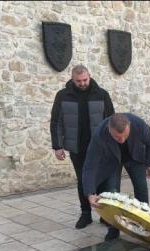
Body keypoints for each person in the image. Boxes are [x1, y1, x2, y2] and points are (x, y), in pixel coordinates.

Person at [50, 64, 115, 230]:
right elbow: (56, 122)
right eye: (78, 80)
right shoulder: (63, 96)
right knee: (82, 181)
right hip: (76, 147)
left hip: (99, 146)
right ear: (72, 79)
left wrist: (111, 144)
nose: (82, 83)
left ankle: (104, 215)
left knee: (100, 179)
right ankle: (85, 214)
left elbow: (111, 121)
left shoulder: (102, 94)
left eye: (85, 79)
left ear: (89, 76)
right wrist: (57, 146)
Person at [83, 113, 150, 241]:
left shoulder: (139, 125)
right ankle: (113, 229)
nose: (122, 140)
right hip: (111, 160)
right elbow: (90, 166)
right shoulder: (99, 134)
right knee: (112, 193)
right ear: (109, 129)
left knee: (141, 189)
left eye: (125, 136)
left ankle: (145, 226)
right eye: (118, 137)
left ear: (130, 127)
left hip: (135, 157)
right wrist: (90, 193)